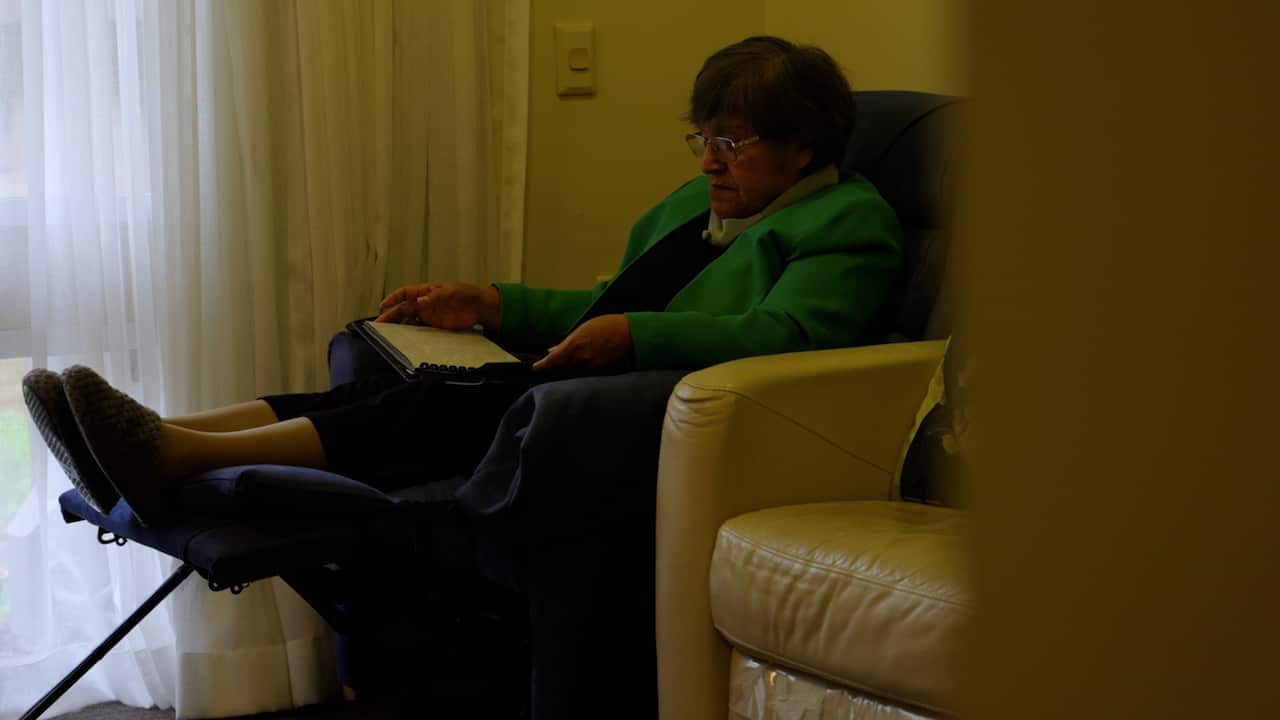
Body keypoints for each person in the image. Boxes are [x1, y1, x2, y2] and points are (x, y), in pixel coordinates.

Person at [23, 34, 903, 717]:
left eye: (733, 141)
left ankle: (169, 455)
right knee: (390, 374)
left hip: (661, 419)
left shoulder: (847, 223)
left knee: (446, 403)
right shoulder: (696, 206)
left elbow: (787, 338)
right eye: (702, 135)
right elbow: (604, 299)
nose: (708, 159)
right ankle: (165, 432)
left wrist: (631, 337)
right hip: (587, 381)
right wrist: (486, 302)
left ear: (804, 146)